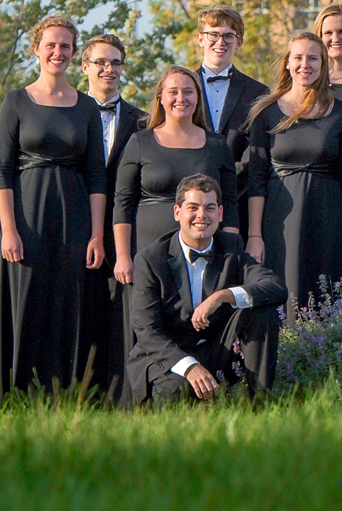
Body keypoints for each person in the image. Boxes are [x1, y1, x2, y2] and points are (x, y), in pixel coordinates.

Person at [0, 15, 108, 409]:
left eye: (65, 46)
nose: (57, 52)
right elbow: (2, 171)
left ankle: (66, 399)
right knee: (26, 302)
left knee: (68, 304)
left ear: (74, 53)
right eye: (50, 45)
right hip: (26, 218)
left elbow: (96, 175)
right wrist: (8, 229)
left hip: (75, 218)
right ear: (36, 49)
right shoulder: (15, 101)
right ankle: (16, 399)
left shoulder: (87, 106)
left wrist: (97, 234)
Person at [124, 175, 285, 405]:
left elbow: (275, 287)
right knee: (176, 391)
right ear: (177, 212)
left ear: (220, 213)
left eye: (209, 208)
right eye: (193, 207)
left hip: (217, 350)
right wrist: (189, 367)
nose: (201, 215)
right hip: (170, 354)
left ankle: (260, 404)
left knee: (262, 312)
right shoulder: (150, 260)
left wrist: (223, 296)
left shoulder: (232, 247)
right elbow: (147, 330)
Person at [244, 33, 342, 313]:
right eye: (298, 57)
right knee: (283, 297)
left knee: (328, 301)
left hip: (329, 219)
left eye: (312, 58)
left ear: (323, 64)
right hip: (279, 220)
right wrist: (254, 236)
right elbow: (256, 179)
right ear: (287, 62)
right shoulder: (265, 112)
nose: (304, 64)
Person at [114, 69, 240, 327]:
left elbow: (229, 203)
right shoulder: (139, 141)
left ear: (198, 98)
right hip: (147, 252)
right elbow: (123, 202)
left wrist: (230, 256)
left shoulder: (217, 145)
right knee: (149, 325)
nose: (180, 98)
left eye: (188, 91)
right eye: (173, 92)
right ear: (161, 99)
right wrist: (123, 256)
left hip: (203, 252)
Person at [79, 33, 145, 399]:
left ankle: (121, 395)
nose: (109, 69)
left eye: (116, 63)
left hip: (125, 232)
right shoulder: (68, 111)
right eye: (101, 62)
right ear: (85, 66)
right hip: (77, 228)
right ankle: (79, 393)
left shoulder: (143, 121)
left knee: (122, 313)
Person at [191, 5, 270, 227]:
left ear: (239, 42)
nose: (220, 42)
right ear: (200, 39)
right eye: (213, 35)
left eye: (228, 36)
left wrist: (224, 186)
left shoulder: (258, 92)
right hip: (189, 203)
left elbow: (256, 151)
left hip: (238, 203)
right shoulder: (182, 89)